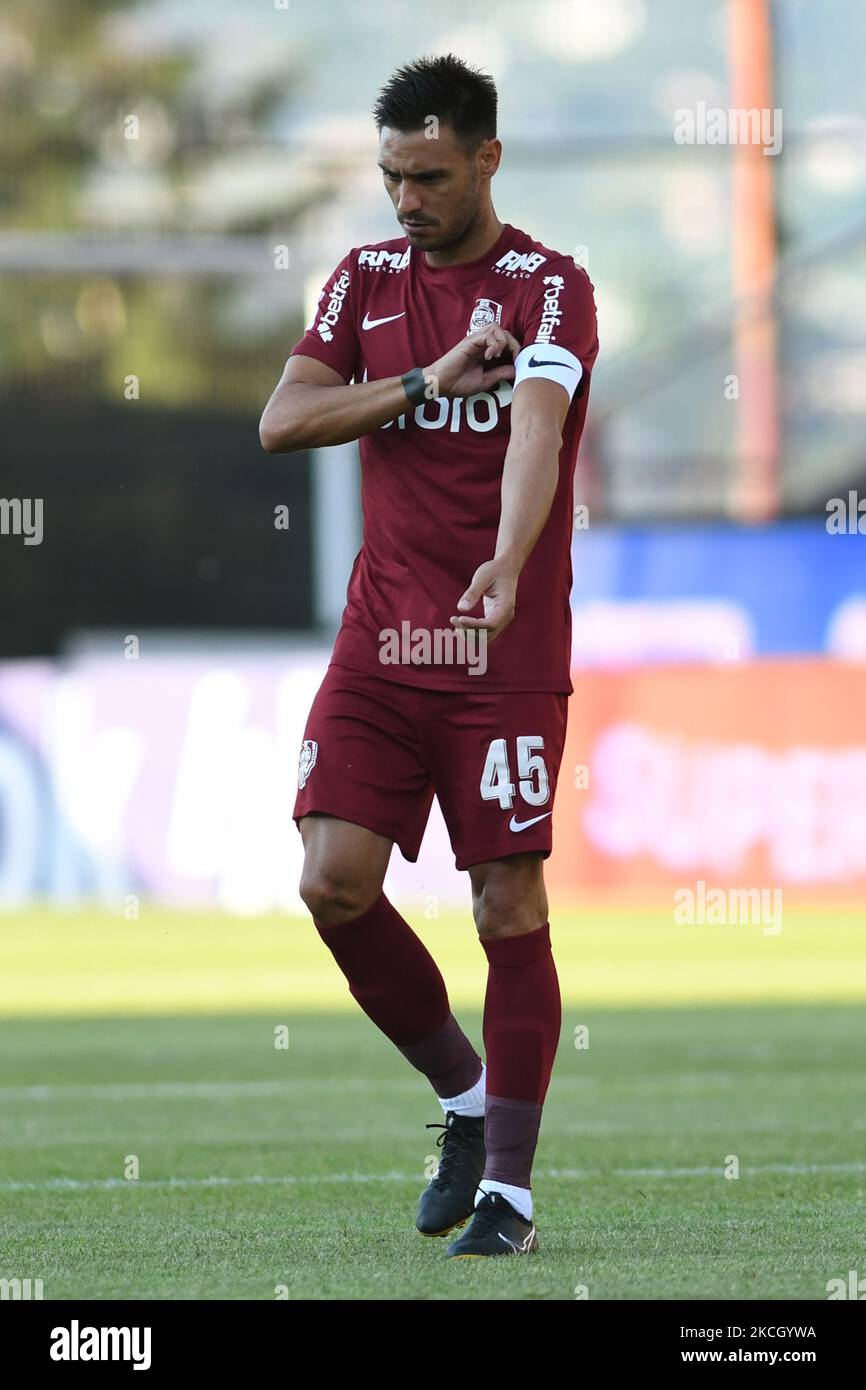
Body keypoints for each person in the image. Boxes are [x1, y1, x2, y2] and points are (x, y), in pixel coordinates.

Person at [260, 53, 598, 1258]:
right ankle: (461, 1096)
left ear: (487, 159)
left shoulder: (550, 289)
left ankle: (507, 1188)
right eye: (393, 176)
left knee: (506, 900)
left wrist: (506, 567)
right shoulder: (362, 282)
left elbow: (538, 434)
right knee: (329, 880)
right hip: (381, 641)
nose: (408, 199)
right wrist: (418, 381)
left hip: (496, 643)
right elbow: (281, 421)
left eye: (432, 176)